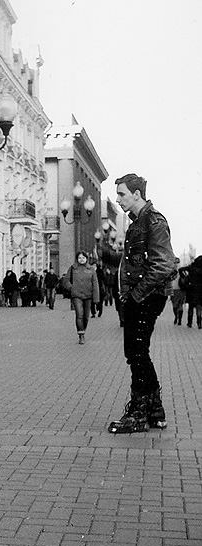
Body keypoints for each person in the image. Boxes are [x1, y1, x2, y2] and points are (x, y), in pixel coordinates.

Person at [108, 174, 176, 434]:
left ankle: (138, 413)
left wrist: (137, 295)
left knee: (136, 353)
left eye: (122, 194)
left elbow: (163, 264)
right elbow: (137, 262)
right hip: (142, 296)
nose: (118, 199)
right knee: (138, 352)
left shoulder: (153, 220)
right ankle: (155, 410)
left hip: (146, 297)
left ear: (137, 194)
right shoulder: (139, 222)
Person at [62, 251, 99, 344]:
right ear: (77, 259)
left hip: (88, 295)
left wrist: (96, 298)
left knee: (86, 316)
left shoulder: (91, 269)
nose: (81, 259)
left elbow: (95, 284)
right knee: (79, 314)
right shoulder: (73, 268)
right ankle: (81, 335)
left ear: (86, 259)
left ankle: (83, 330)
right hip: (76, 295)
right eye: (79, 258)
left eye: (83, 258)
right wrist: (72, 288)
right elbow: (66, 281)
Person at [181, 255, 202, 328]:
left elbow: (181, 269)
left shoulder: (191, 268)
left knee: (191, 306)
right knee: (199, 306)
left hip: (191, 288)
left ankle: (189, 323)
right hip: (200, 290)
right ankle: (199, 323)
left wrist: (184, 277)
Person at [171, 257, 186, 325]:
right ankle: (179, 319)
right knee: (180, 305)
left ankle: (176, 317)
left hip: (174, 289)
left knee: (174, 305)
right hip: (182, 289)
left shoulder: (171, 269)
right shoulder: (183, 270)